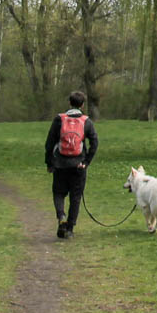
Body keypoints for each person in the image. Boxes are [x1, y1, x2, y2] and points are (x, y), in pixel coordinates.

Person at [43, 90, 98, 238]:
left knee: (59, 193)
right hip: (78, 165)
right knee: (76, 197)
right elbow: (94, 143)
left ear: (69, 103)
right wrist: (86, 162)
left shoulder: (59, 119)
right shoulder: (87, 121)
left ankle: (61, 216)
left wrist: (49, 162)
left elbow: (49, 143)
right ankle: (70, 229)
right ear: (83, 105)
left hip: (60, 164)